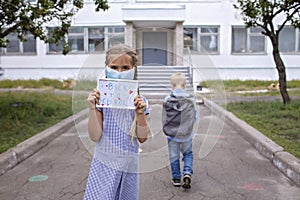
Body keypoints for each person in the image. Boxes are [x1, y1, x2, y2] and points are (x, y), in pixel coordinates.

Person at [84, 44, 151, 200]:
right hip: (104, 163)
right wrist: (92, 108)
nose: (119, 72)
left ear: (134, 68)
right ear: (107, 68)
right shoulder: (101, 101)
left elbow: (142, 137)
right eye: (114, 67)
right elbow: (95, 136)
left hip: (128, 165)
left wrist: (140, 113)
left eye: (125, 67)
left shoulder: (139, 102)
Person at [162, 72, 198, 189]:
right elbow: (195, 116)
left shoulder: (167, 99)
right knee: (188, 153)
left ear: (171, 85)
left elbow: (165, 117)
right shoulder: (191, 99)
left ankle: (176, 178)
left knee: (174, 156)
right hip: (187, 134)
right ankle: (187, 173)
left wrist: (167, 129)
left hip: (172, 134)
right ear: (185, 85)